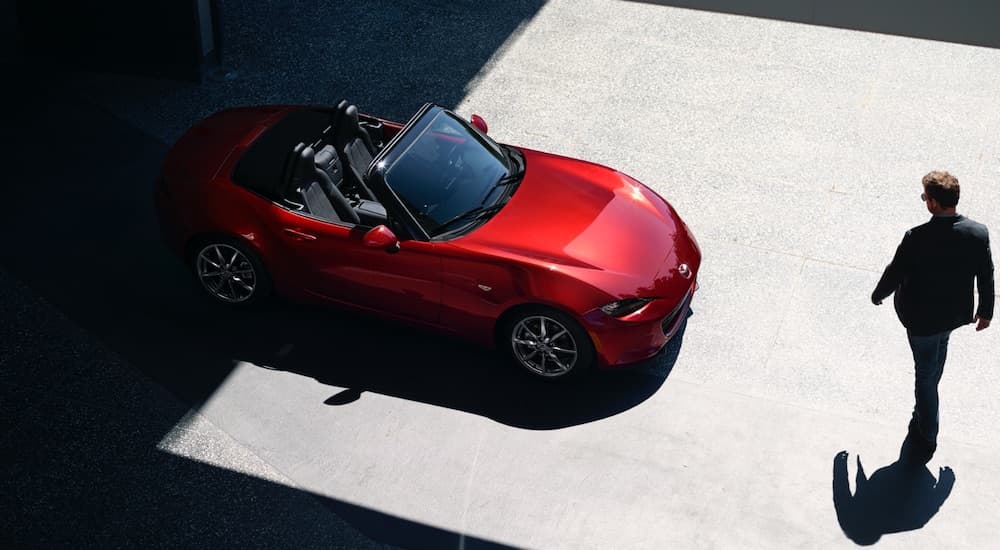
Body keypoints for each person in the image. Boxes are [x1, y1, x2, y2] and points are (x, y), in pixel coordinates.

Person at [871, 170, 994, 459]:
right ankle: (925, 407)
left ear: (935, 204)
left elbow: (895, 272)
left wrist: (878, 295)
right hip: (953, 316)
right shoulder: (977, 233)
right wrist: (985, 311)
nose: (925, 200)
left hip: (921, 320)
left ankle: (927, 432)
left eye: (926, 197)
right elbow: (986, 275)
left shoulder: (917, 237)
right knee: (936, 358)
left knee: (925, 375)